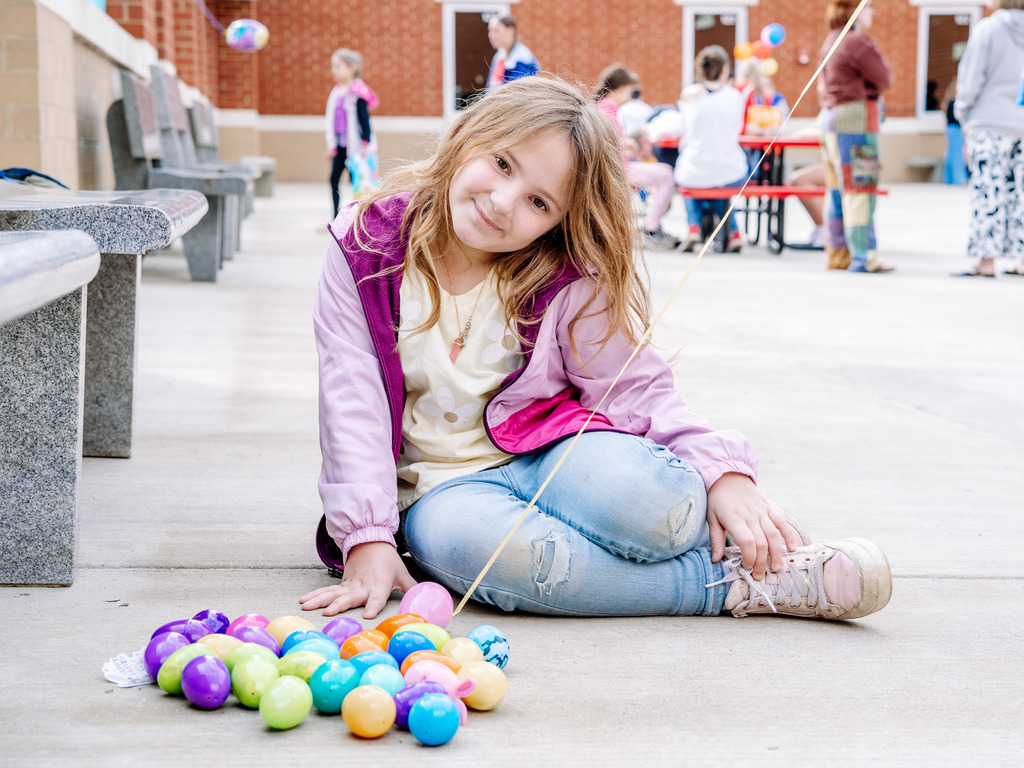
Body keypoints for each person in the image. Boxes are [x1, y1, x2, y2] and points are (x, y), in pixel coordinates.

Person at [299, 75, 892, 624]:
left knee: (659, 501)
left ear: (559, 221)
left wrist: (720, 473)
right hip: (438, 492)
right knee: (514, 558)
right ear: (466, 137)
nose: (503, 201)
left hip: (547, 447)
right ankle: (737, 583)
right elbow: (350, 400)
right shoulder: (366, 246)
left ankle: (750, 540)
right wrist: (368, 539)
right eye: (501, 164)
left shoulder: (561, 273)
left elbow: (634, 385)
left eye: (539, 202)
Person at [818, 1, 894, 272]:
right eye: (869, 6)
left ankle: (840, 254)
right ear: (855, 9)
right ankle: (864, 256)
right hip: (856, 122)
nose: (873, 11)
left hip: (830, 121)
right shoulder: (857, 42)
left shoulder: (830, 41)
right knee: (860, 189)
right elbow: (884, 78)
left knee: (837, 191)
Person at [951, 0, 1024, 278]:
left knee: (988, 192)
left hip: (989, 121)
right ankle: (1021, 260)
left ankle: (986, 261)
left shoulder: (989, 29)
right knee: (1020, 194)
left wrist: (963, 113)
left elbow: (971, 79)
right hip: (1021, 122)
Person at [595, 64, 679, 248]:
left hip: (618, 166)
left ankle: (652, 226)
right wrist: (627, 143)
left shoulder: (604, 106)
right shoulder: (608, 107)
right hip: (619, 170)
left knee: (665, 173)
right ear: (622, 87)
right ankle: (651, 228)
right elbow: (608, 140)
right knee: (666, 175)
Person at [674, 46, 749, 253]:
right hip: (730, 169)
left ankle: (694, 228)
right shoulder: (734, 96)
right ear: (725, 70)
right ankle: (733, 232)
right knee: (718, 187)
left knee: (691, 179)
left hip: (694, 168)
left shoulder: (688, 95)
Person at [325, 48, 378, 219]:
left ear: (351, 68)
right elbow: (330, 119)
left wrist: (365, 143)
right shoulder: (336, 92)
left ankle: (355, 216)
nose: (334, 70)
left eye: (338, 66)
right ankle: (336, 216)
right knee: (333, 180)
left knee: (356, 182)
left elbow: (364, 120)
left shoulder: (358, 92)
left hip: (355, 148)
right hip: (340, 147)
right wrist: (331, 145)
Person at [486, 15, 539, 90]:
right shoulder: (498, 57)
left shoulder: (522, 59)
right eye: (490, 30)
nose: (491, 35)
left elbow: (520, 94)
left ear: (510, 30)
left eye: (496, 30)